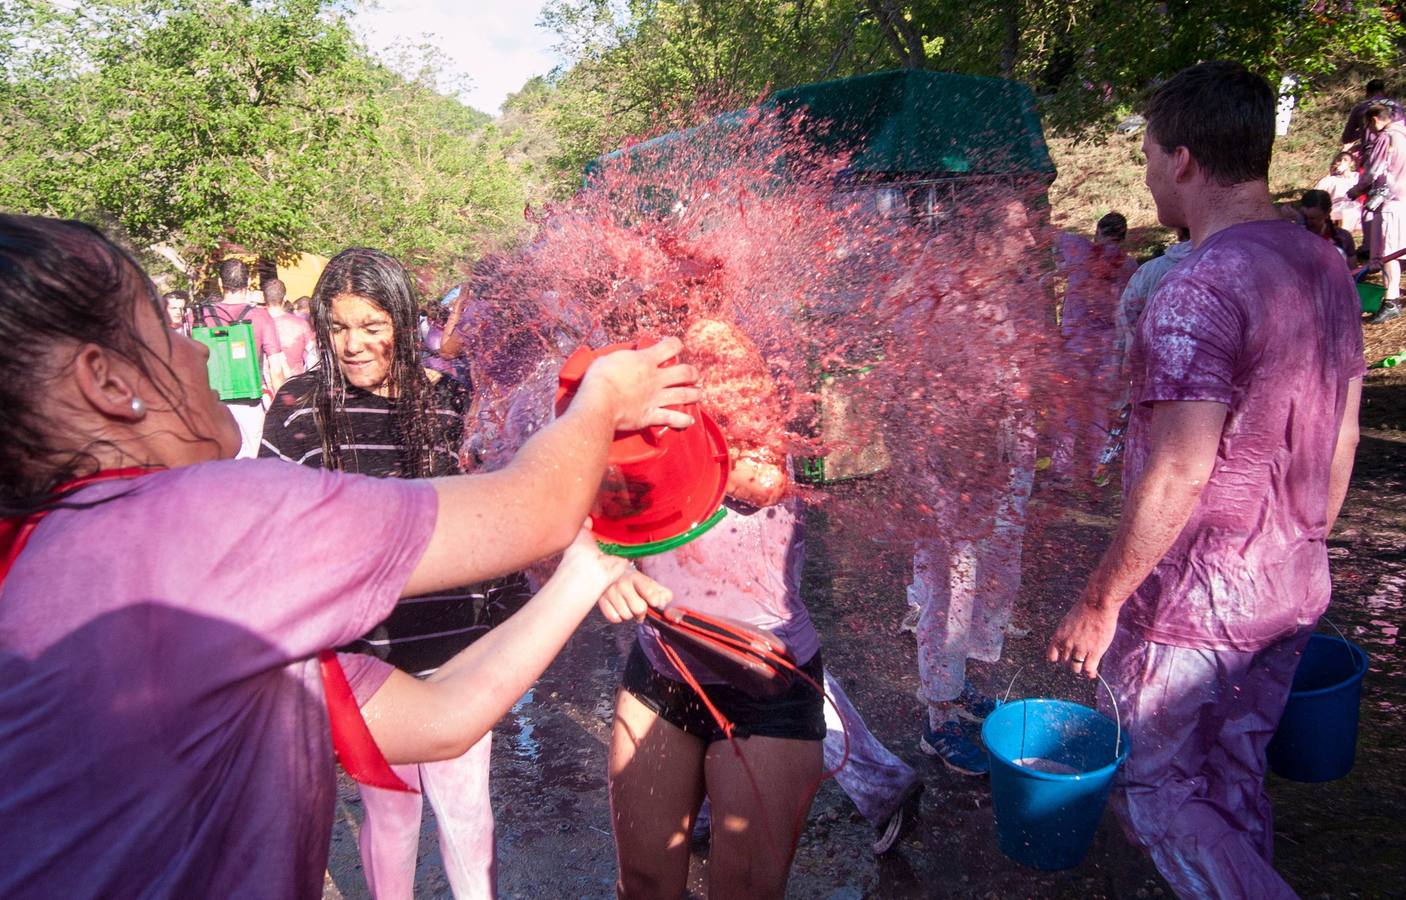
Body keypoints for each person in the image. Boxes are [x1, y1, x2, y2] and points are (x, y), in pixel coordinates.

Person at [0, 214, 700, 899]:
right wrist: (604, 397)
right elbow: (536, 509)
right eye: (164, 329)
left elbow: (443, 718)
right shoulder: (200, 524)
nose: (204, 350)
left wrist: (583, 572)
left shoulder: (46, 555)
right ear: (105, 382)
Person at [1047, 61, 1363, 899]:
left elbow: (1181, 467)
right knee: (1230, 778)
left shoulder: (1196, 285)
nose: (1147, 175)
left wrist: (1103, 598)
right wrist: (1306, 540)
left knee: (1149, 787)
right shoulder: (1323, 263)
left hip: (1200, 605)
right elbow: (1346, 427)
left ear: (1182, 160)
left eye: (1150, 155)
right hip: (1294, 584)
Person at [259, 248, 527, 899]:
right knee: (391, 814)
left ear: (403, 325)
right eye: (339, 327)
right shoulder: (298, 407)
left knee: (467, 816)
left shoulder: (452, 402)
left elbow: (492, 517)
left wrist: (507, 627)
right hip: (362, 658)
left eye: (370, 327)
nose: (352, 345)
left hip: (456, 650)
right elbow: (269, 527)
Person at [597, 313, 823, 900]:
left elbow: (761, 479)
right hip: (661, 669)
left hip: (765, 679)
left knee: (744, 892)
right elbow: (573, 511)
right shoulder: (643, 395)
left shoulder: (757, 444)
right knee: (642, 884)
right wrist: (603, 567)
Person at [1054, 212, 1139, 481]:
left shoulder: (1079, 250)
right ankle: (1095, 468)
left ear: (1098, 230)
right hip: (1108, 347)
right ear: (1123, 235)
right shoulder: (1129, 266)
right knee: (1099, 409)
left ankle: (1062, 469)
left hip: (1075, 344)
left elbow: (1051, 235)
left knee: (1067, 408)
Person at [193, 258, 290, 457]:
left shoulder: (200, 316)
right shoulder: (261, 316)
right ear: (248, 283)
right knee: (252, 462)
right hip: (249, 402)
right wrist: (281, 406)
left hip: (212, 402)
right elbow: (276, 367)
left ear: (220, 283)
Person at [1349, 102, 1406, 324]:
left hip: (1390, 200)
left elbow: (1374, 170)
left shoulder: (1386, 137)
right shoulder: (1403, 132)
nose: (1369, 132)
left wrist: (1356, 190)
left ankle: (1391, 301)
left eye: (1368, 126)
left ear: (1374, 120)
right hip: (1403, 197)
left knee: (1388, 252)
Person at [1340, 77, 1404, 166]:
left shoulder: (1360, 108)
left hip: (1372, 154)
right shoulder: (1397, 106)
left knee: (1370, 178)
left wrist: (1363, 130)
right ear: (1384, 91)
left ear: (1367, 93)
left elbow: (1347, 138)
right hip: (1399, 153)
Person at [263, 277, 315, 376]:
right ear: (285, 298)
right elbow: (313, 357)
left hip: (264, 387)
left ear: (264, 297)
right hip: (296, 384)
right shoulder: (301, 325)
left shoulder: (255, 322)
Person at [1300, 189, 1356, 264]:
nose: (1308, 222)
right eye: (1305, 217)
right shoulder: (1296, 236)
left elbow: (1352, 272)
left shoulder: (1343, 237)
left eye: (1313, 218)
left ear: (1327, 213)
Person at [1315, 151, 1363, 233]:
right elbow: (1316, 193)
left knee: (1350, 212)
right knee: (1346, 213)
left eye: (1345, 160)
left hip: (1356, 207)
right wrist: (1330, 174)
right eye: (1339, 160)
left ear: (1351, 163)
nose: (1342, 162)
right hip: (1337, 207)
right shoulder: (1331, 179)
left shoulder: (1357, 176)